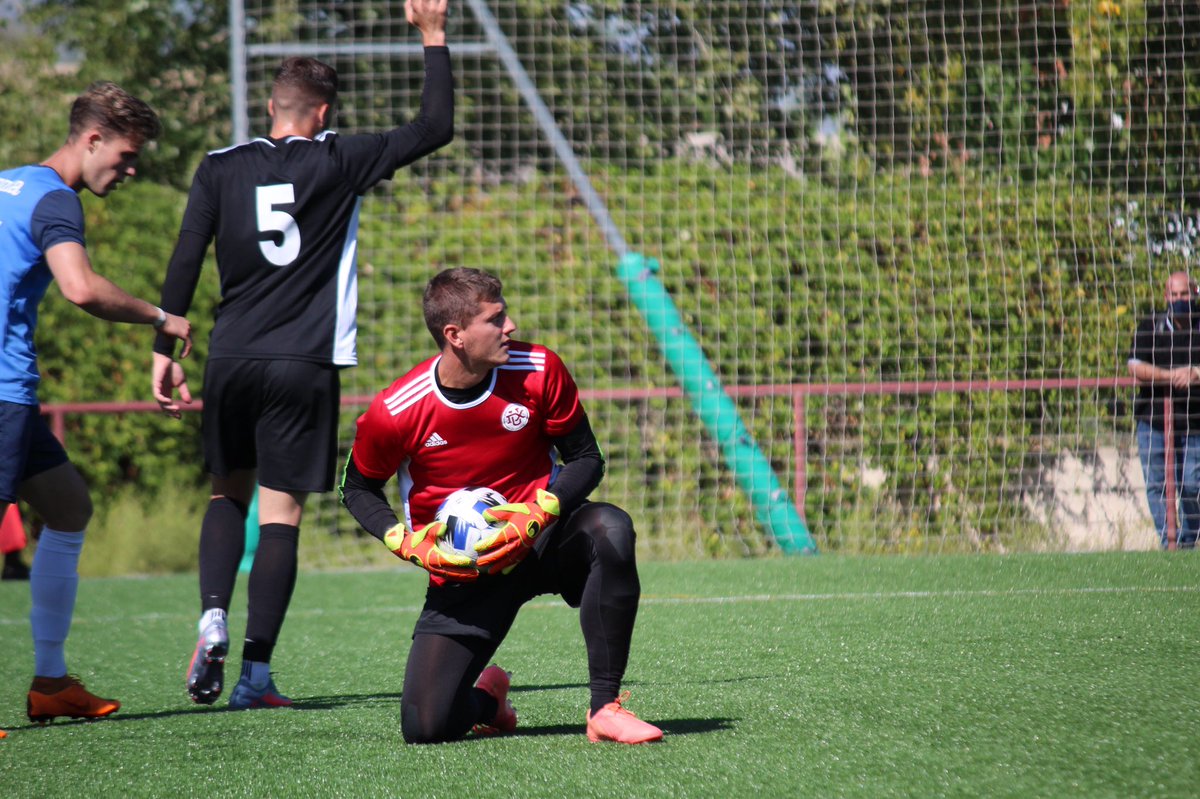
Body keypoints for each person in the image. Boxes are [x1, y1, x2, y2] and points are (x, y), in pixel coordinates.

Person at [151, 0, 454, 709]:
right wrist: (432, 35)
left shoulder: (219, 167)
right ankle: (255, 674)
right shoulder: (339, 158)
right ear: (322, 115)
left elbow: (184, 259)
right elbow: (433, 127)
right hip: (303, 361)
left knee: (227, 492)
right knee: (281, 514)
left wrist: (167, 346)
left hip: (230, 357)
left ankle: (213, 612)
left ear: (271, 106)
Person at [339, 267, 663, 745]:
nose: (510, 327)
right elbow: (358, 488)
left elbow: (586, 458)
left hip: (543, 539)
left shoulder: (537, 369)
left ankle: (604, 708)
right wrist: (406, 544)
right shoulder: (396, 411)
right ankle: (491, 700)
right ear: (456, 335)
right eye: (496, 319)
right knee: (425, 727)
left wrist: (539, 513)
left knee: (610, 529)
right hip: (468, 569)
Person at [0, 81, 191, 724]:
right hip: (0, 391)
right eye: (126, 156)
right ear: (92, 139)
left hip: (12, 394)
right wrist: (163, 316)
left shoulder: (11, 183)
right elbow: (80, 289)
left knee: (69, 507)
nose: (131, 170)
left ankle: (51, 681)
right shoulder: (56, 200)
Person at [1128, 270, 1200, 549]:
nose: (1179, 299)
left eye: (1184, 294)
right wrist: (1171, 376)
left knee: (1192, 486)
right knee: (1156, 485)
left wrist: (1195, 373)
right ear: (1166, 296)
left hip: (1194, 421)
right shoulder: (1151, 325)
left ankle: (1184, 541)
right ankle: (1169, 542)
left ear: (1193, 294)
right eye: (1174, 294)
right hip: (1154, 421)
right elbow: (1134, 366)